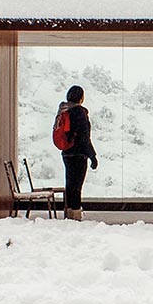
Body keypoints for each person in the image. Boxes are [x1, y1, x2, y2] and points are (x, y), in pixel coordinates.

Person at [57, 84, 97, 220]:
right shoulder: (80, 112)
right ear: (80, 97)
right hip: (79, 153)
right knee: (77, 185)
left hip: (66, 152)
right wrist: (92, 155)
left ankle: (68, 213)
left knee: (70, 183)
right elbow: (84, 137)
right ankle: (75, 214)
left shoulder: (63, 110)